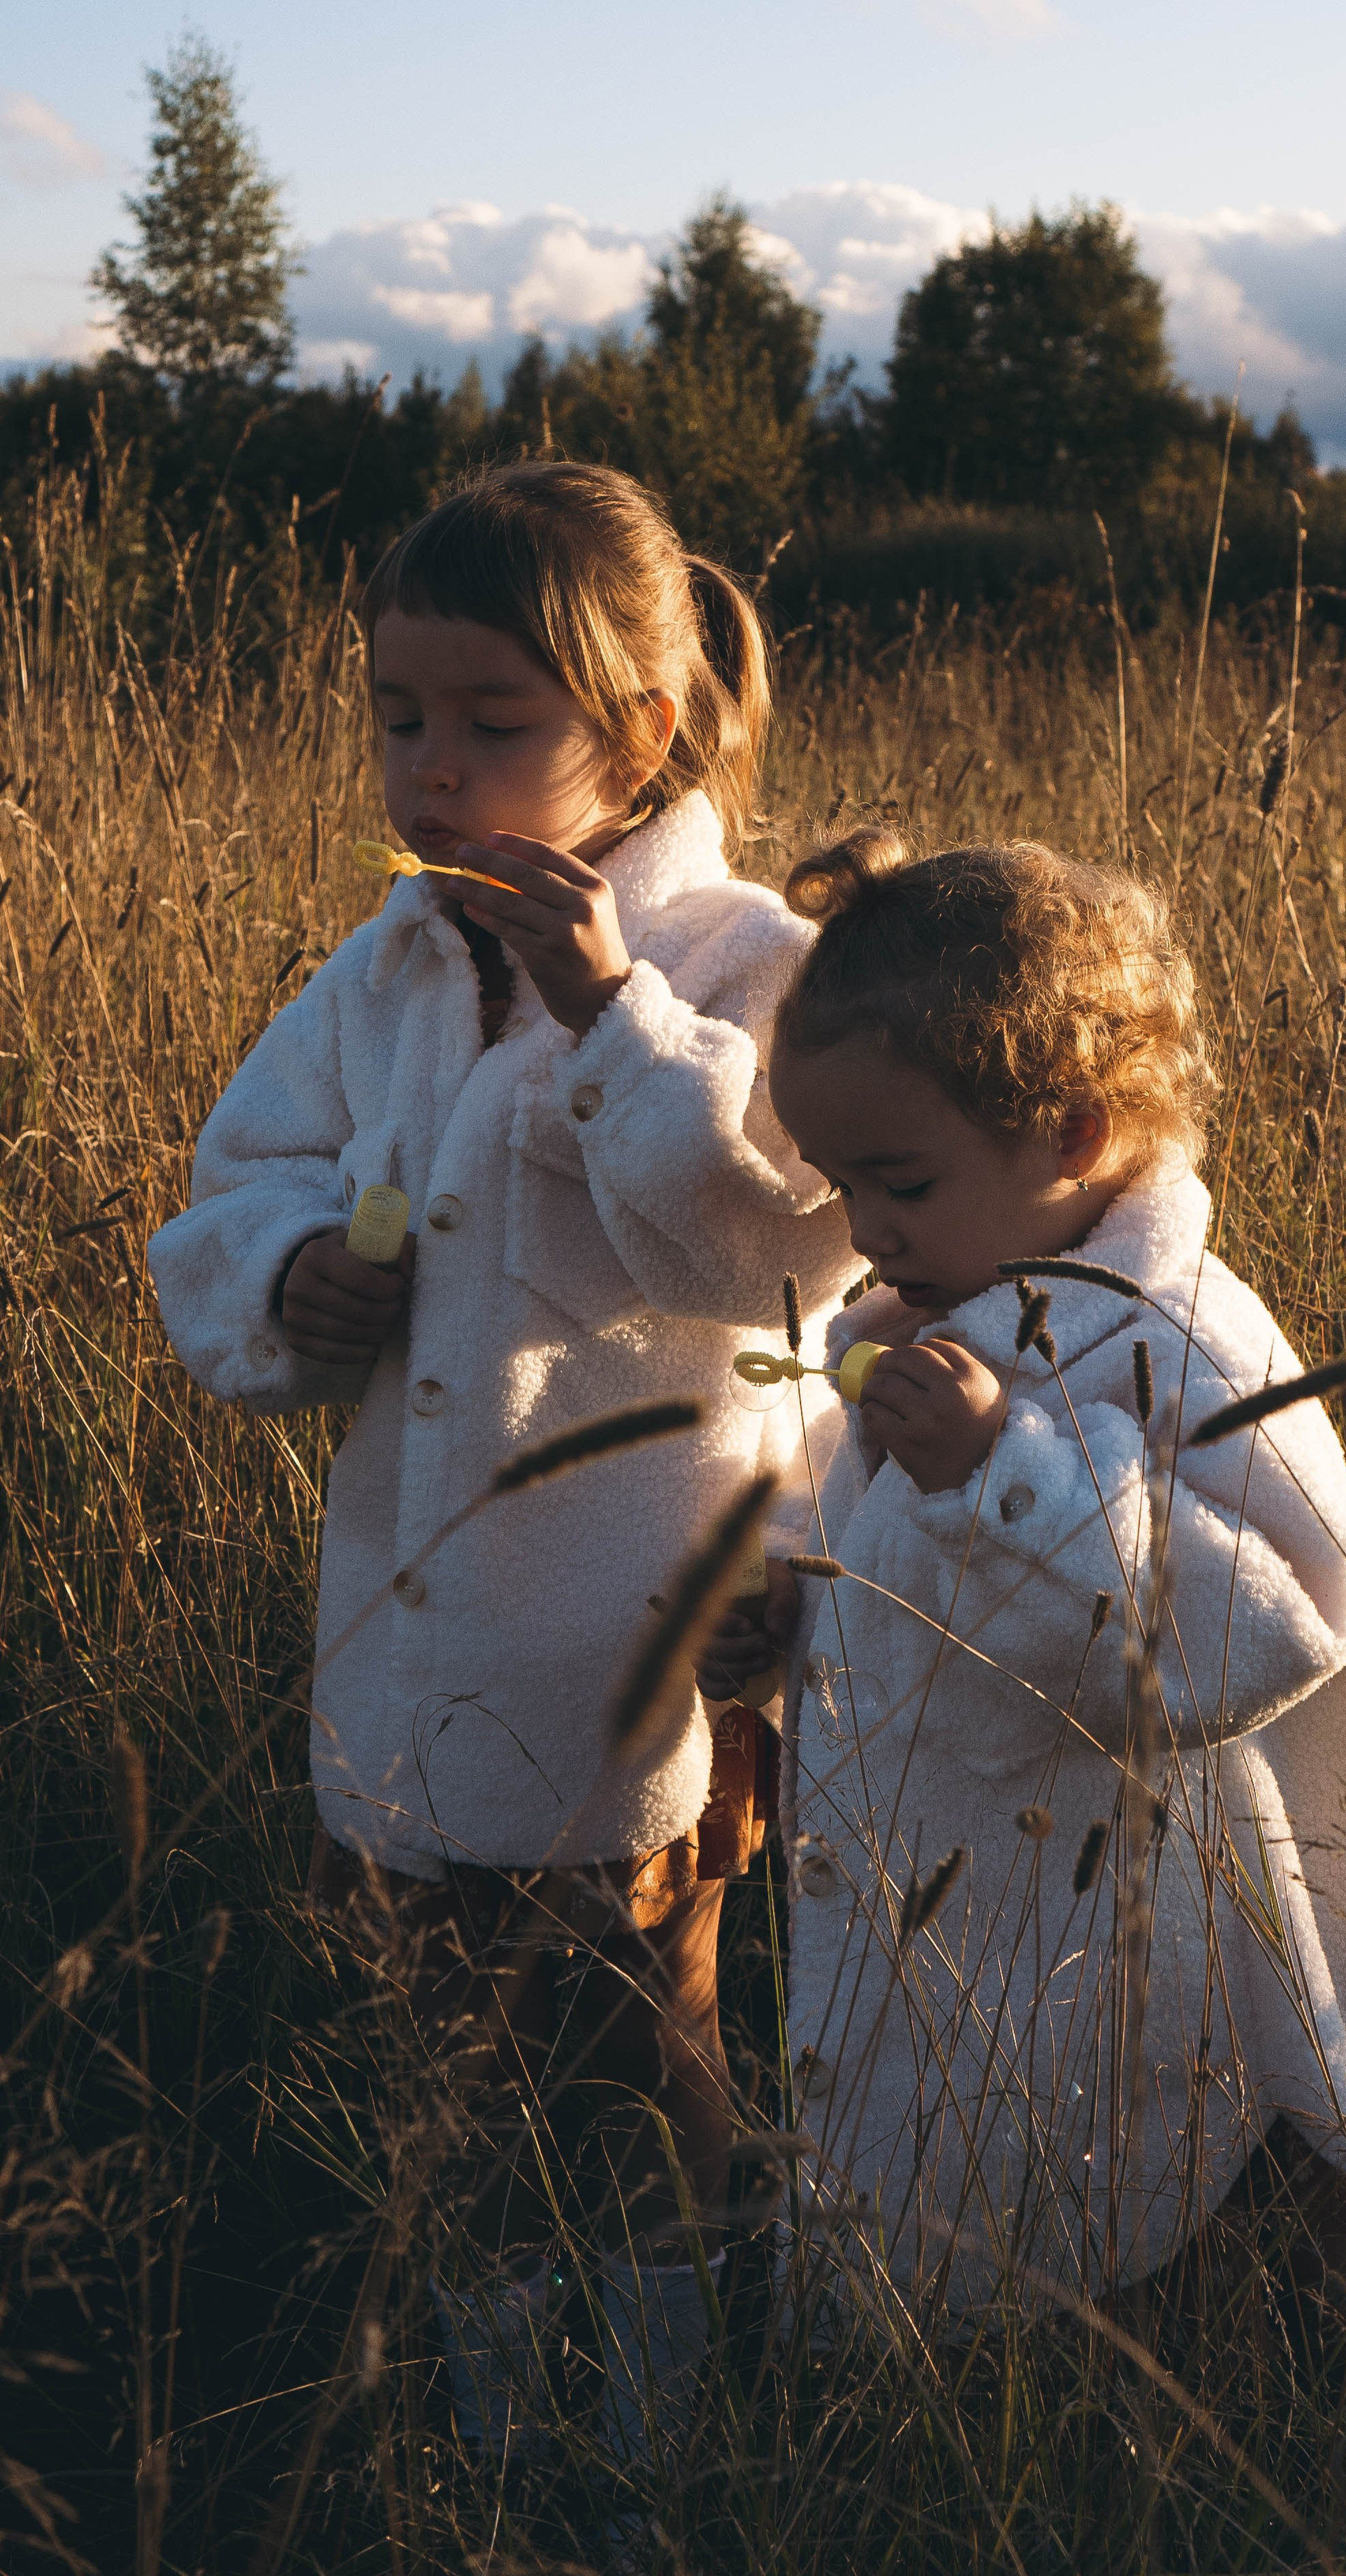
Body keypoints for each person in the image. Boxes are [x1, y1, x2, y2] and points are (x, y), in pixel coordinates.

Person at [148, 464, 857, 2467]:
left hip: (637, 1638)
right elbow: (244, 1172)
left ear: (639, 732)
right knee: (440, 2061)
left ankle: (649, 2439)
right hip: (409, 1626)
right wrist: (293, 1276)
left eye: (492, 722)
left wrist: (612, 1015)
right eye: (398, 717)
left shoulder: (738, 966)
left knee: (640, 2043)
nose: (431, 768)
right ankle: (488, 2429)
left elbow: (777, 1245)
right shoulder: (388, 962)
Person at [700, 830, 1346, 2326]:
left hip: (1126, 1949)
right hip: (939, 1920)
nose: (866, 1232)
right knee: (943, 2200)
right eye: (841, 1187)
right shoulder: (923, 1320)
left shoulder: (1187, 1347)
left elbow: (1283, 1625)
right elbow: (869, 1543)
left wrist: (1005, 1480)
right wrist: (785, 1605)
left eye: (901, 1181)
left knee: (1126, 2245)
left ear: (1073, 1130)